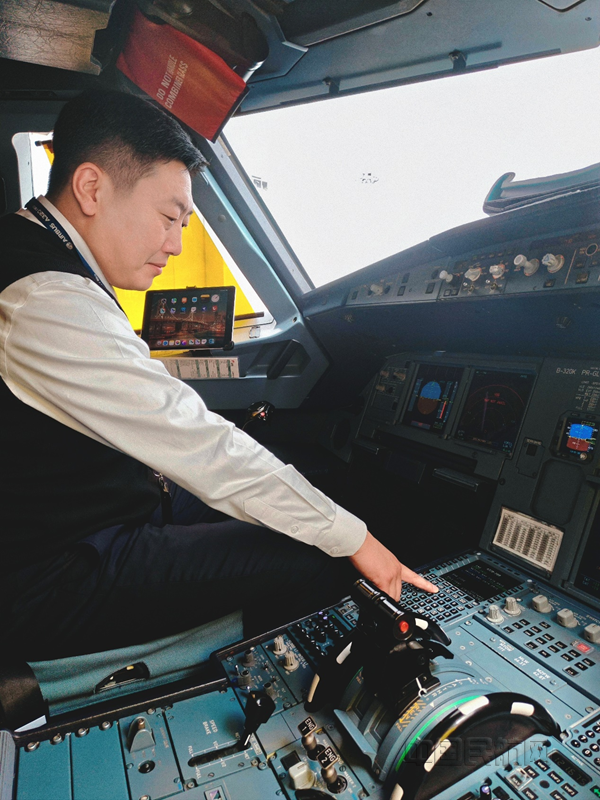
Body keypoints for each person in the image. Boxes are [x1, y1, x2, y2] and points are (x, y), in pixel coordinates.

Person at [0, 89, 436, 661]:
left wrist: (335, 522)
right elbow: (200, 444)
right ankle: (260, 684)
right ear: (91, 188)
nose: (176, 245)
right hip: (48, 574)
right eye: (168, 217)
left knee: (309, 495)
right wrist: (356, 540)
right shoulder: (45, 299)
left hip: (82, 512)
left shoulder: (34, 256)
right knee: (316, 556)